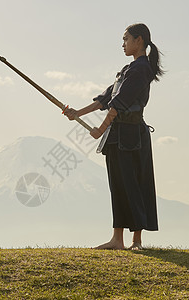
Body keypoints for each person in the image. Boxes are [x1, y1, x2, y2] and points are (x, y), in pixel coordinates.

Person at [64, 23, 163, 250]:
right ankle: (117, 239)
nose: (123, 44)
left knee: (135, 185)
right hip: (117, 136)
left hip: (133, 137)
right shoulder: (127, 70)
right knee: (117, 185)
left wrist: (100, 129)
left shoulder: (141, 69)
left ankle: (136, 241)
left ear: (139, 41)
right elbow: (106, 99)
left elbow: (119, 104)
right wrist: (76, 113)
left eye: (126, 39)